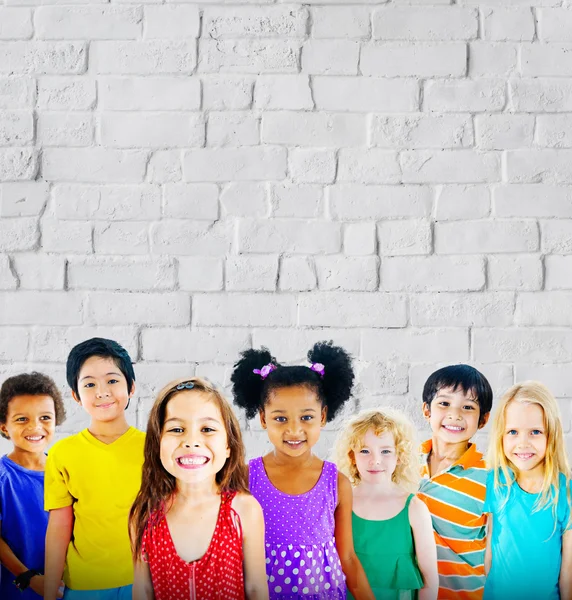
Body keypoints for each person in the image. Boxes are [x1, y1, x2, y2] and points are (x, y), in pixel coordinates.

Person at [232, 341, 374, 600]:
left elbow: (349, 559)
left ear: (322, 416)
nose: (294, 430)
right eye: (280, 418)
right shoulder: (244, 477)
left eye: (306, 417)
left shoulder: (336, 483)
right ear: (263, 418)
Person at [130, 377, 268, 600]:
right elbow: (143, 591)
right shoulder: (145, 513)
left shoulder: (244, 509)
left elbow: (256, 588)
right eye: (176, 429)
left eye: (207, 429)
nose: (191, 441)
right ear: (157, 445)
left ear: (228, 447)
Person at [44, 338, 145, 600]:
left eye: (112, 380)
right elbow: (59, 524)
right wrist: (49, 588)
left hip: (145, 580)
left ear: (131, 387)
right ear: (76, 395)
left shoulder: (155, 448)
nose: (102, 391)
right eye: (89, 384)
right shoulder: (62, 453)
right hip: (83, 585)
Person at [334, 408, 438, 600]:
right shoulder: (339, 505)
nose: (375, 460)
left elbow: (430, 580)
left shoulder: (415, 508)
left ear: (399, 456)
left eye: (386, 451)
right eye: (365, 451)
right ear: (352, 457)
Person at [484, 381, 572, 600]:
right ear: (501, 437)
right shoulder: (494, 483)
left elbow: (568, 571)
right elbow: (488, 556)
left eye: (535, 431)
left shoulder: (566, 492)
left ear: (550, 435)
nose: (523, 443)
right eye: (513, 431)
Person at [417, 365, 493, 600]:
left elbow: (495, 552)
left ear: (483, 420)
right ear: (427, 411)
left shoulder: (490, 476)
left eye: (468, 407)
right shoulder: (402, 462)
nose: (455, 414)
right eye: (444, 403)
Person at [0, 372, 66, 600]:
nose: (35, 427)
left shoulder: (67, 473)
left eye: (45, 417)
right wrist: (29, 577)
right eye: (22, 419)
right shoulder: (2, 477)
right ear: (4, 426)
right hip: (18, 592)